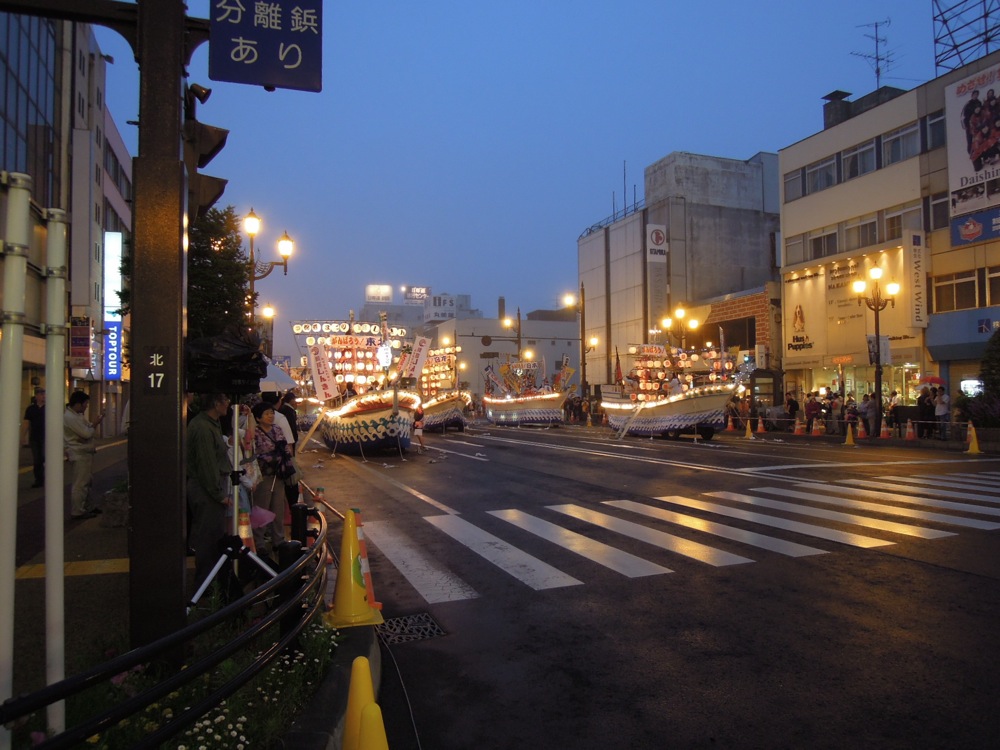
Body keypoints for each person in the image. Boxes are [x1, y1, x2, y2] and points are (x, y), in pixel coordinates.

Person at [186, 393, 233, 589]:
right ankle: (205, 588)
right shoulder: (203, 427)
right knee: (209, 539)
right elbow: (207, 465)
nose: (229, 403)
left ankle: (209, 584)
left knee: (212, 537)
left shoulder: (210, 423)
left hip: (208, 487)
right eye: (226, 400)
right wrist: (219, 494)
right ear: (215, 403)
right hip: (207, 490)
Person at [252, 402, 292, 557]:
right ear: (258, 417)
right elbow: (255, 453)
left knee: (278, 509)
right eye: (267, 414)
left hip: (279, 475)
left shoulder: (277, 429)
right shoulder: (255, 432)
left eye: (272, 413)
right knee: (261, 509)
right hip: (264, 476)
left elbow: (286, 448)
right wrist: (271, 458)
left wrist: (281, 457)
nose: (271, 416)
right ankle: (259, 542)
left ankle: (278, 540)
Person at [64, 391, 105, 519]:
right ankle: (78, 511)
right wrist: (95, 424)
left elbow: (87, 430)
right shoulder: (70, 418)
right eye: (85, 404)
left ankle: (87, 507)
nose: (86, 406)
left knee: (86, 482)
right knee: (80, 484)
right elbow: (87, 433)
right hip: (79, 453)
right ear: (78, 404)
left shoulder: (76, 415)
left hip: (84, 452)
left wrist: (92, 426)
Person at [21, 387, 46, 488]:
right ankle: (39, 479)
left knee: (44, 457)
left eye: (44, 394)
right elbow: (26, 423)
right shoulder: (31, 409)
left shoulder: (50, 408)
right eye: (41, 394)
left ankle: (46, 477)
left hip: (47, 437)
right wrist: (23, 436)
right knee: (37, 459)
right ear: (36, 396)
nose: (43, 396)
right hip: (34, 437)